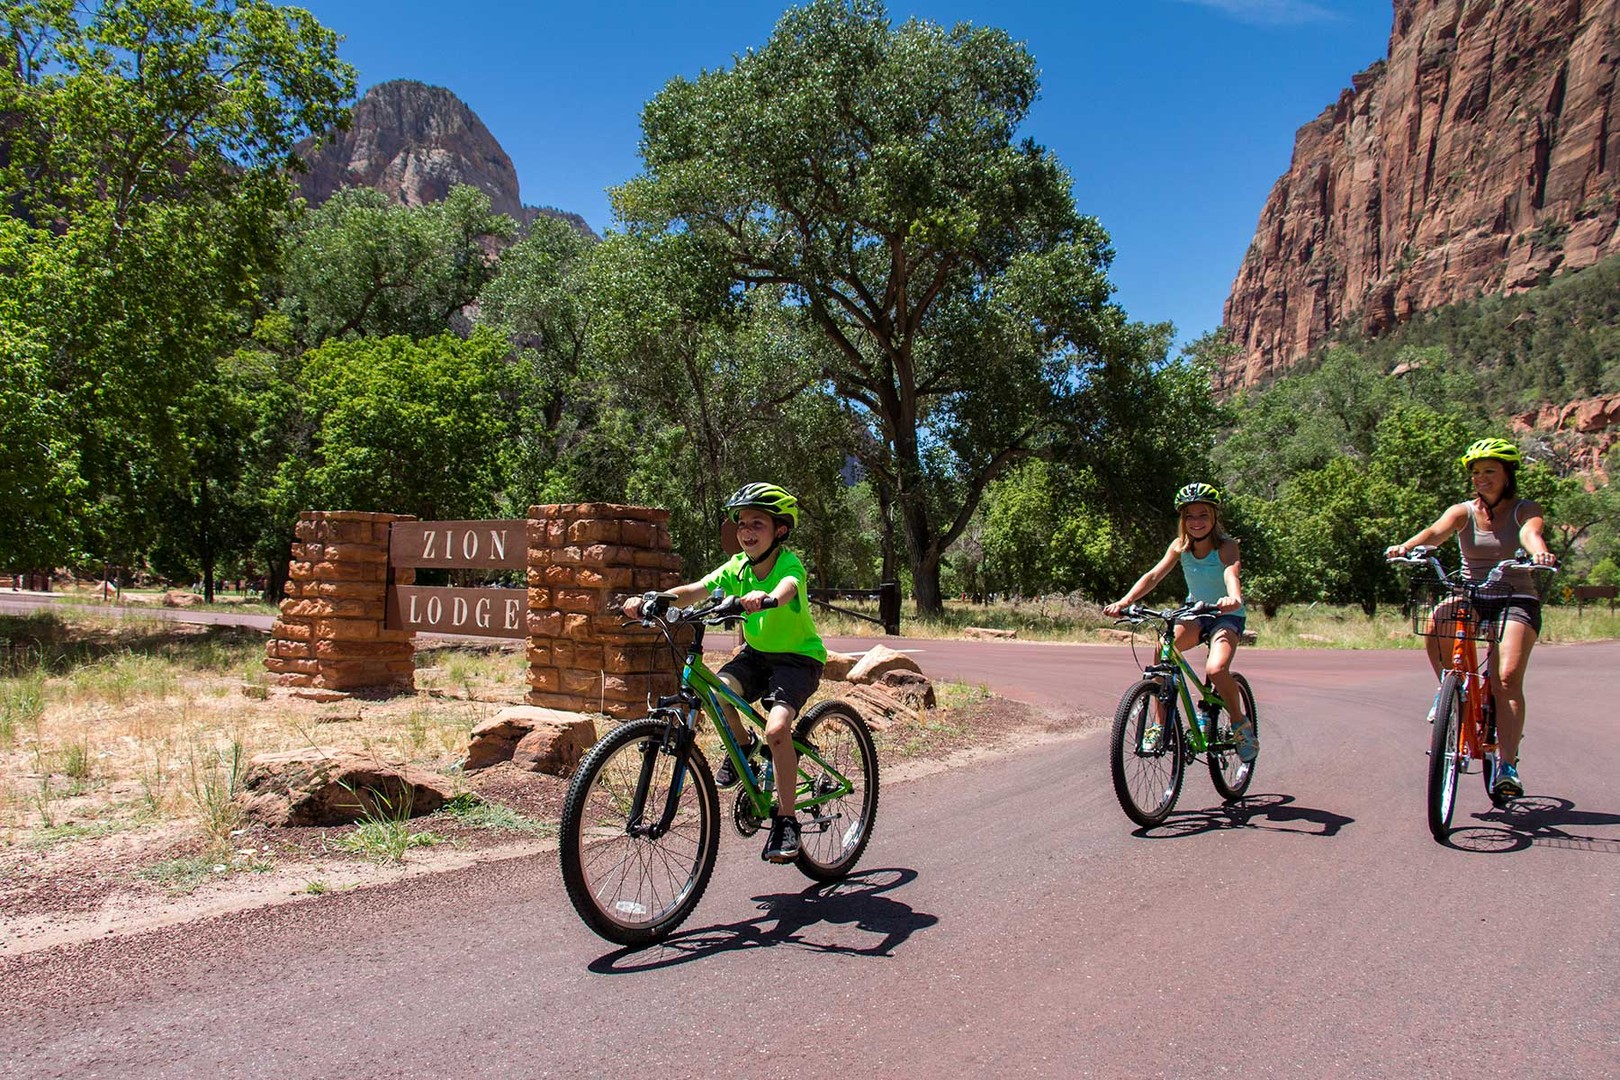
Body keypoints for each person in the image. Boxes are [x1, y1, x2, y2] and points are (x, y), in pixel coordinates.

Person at [622, 482, 826, 862]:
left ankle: (786, 821)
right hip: (757, 655)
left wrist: (764, 600)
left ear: (780, 530)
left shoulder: (787, 563)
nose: (746, 530)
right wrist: (655, 599)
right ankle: (743, 749)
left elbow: (786, 589)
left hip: (797, 659)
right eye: (742, 523)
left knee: (778, 729)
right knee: (715, 691)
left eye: (757, 523)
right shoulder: (737, 567)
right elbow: (696, 589)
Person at [1385, 438, 1557, 800]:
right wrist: (1407, 546)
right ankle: (1448, 690)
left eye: (1490, 471)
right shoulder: (1462, 511)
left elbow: (1531, 534)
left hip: (1516, 597)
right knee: (1437, 619)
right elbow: (1435, 532)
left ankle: (1507, 765)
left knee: (1505, 677)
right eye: (1476, 473)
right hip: (1473, 593)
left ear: (1508, 474)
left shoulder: (1525, 509)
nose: (1481, 478)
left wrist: (1539, 554)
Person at [1103, 483, 1255, 763]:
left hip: (1226, 614)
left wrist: (1233, 598)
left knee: (1216, 668)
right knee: (1164, 647)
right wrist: (1124, 602)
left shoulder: (1227, 547)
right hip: (1196, 612)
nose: (1196, 522)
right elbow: (1153, 576)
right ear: (1182, 520)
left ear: (1214, 518)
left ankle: (1239, 724)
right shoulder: (1180, 546)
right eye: (1190, 517)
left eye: (1203, 516)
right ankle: (1158, 726)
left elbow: (1231, 575)